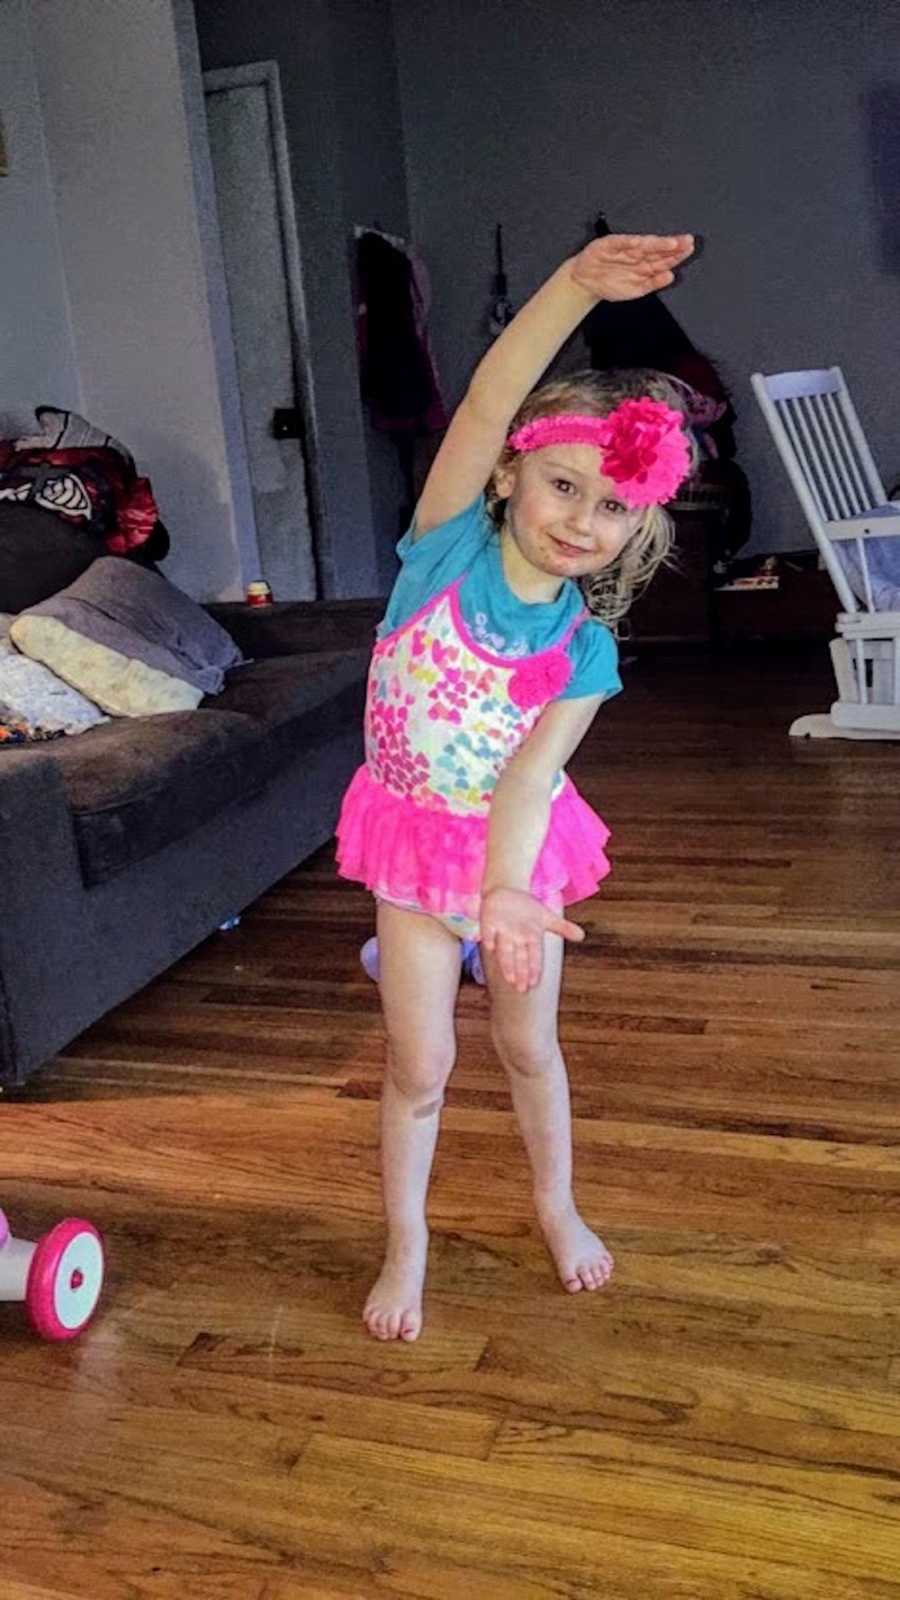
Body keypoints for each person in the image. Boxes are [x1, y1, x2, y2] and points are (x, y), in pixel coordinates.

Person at [337, 233, 696, 1342]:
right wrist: (577, 287)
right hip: (410, 847)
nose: (583, 518)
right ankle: (410, 1240)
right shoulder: (440, 550)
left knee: (528, 1047)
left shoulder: (585, 652)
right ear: (507, 474)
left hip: (513, 863)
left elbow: (534, 778)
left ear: (641, 524)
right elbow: (493, 391)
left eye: (613, 506)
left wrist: (501, 896)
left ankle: (556, 1200)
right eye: (562, 483)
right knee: (423, 1062)